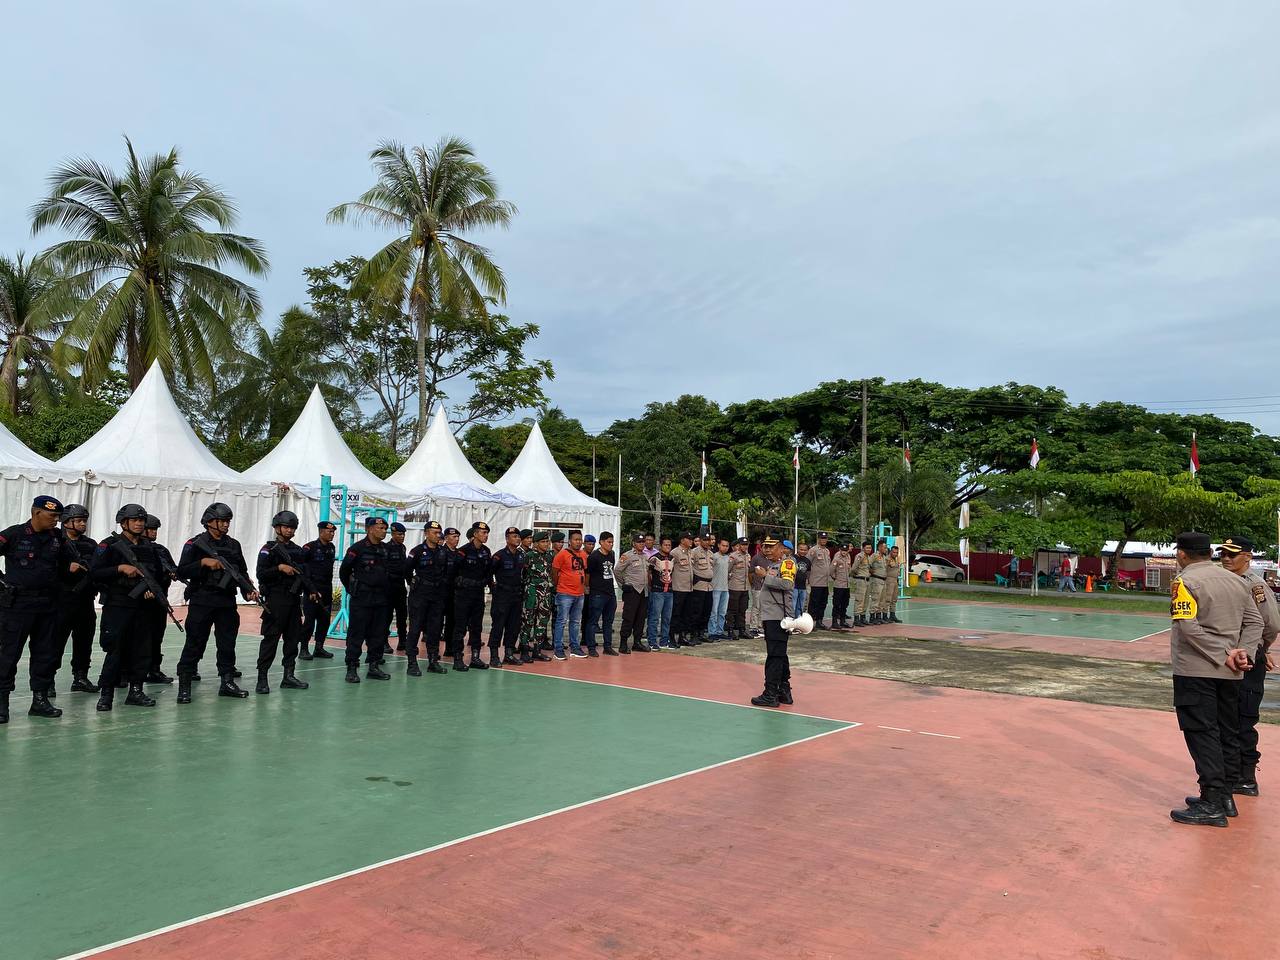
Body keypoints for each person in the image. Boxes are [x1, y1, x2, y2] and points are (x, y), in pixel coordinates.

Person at [1166, 531, 1260, 827]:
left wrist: (1224, 654)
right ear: (1209, 552)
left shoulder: (1185, 582)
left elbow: (1189, 629)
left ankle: (1211, 802)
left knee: (1201, 733)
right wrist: (1241, 652)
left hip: (1196, 670)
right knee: (1225, 732)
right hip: (1229, 673)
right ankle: (1225, 797)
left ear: (1182, 554)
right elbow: (1255, 621)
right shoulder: (1237, 581)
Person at [0, 496, 79, 723]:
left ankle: (40, 700)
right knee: (8, 654)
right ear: (36, 513)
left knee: (45, 654)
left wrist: (71, 568)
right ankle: (2, 702)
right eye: (52, 516)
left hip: (48, 605)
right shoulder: (14, 534)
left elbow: (69, 563)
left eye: (58, 517)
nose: (56, 521)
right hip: (17, 606)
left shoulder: (58, 538)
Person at [175, 502, 258, 703]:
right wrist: (203, 563)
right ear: (210, 522)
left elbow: (241, 572)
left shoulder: (233, 545)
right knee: (195, 642)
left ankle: (227, 681)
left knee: (227, 644)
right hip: (202, 600)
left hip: (226, 602)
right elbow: (181, 571)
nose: (226, 525)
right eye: (222, 521)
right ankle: (185, 685)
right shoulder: (194, 544)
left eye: (228, 521)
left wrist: (248, 590)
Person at [1216, 536, 1278, 798]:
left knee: (1243, 717)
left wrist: (1261, 650)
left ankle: (1246, 777)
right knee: (1228, 717)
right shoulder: (1228, 581)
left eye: (1233, 554)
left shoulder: (1254, 585)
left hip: (1248, 660)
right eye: (1223, 554)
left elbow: (1271, 623)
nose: (1226, 559)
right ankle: (1232, 773)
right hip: (1233, 658)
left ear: (1248, 557)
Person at [89, 503, 161, 712]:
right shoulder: (109, 545)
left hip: (143, 607)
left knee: (142, 650)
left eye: (141, 520)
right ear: (123, 523)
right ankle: (106, 694)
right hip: (118, 605)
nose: (139, 524)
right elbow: (94, 573)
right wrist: (119, 568)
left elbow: (155, 573)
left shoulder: (148, 547)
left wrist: (150, 589)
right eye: (135, 520)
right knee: (115, 650)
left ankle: (136, 690)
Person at [254, 510, 314, 695]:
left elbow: (304, 574)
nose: (289, 530)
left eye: (292, 527)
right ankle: (262, 678)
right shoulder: (268, 549)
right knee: (271, 639)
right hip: (275, 599)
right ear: (277, 528)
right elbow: (260, 574)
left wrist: (311, 590)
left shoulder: (297, 550)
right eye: (286, 527)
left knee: (292, 640)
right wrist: (279, 568)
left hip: (294, 601)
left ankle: (288, 675)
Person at [338, 515, 393, 683]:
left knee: (378, 633)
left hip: (381, 598)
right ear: (369, 529)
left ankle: (374, 666)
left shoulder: (385, 549)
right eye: (380, 528)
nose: (384, 531)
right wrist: (352, 589)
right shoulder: (357, 548)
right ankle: (352, 668)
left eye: (385, 529)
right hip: (362, 598)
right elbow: (344, 571)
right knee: (357, 633)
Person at [52, 503, 99, 695]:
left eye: (84, 520)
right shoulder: (55, 542)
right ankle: (48, 680)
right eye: (78, 520)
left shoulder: (90, 544)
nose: (82, 524)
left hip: (85, 601)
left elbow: (98, 567)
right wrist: (65, 569)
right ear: (66, 522)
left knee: (84, 641)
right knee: (55, 643)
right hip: (62, 601)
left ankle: (80, 677)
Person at [750, 535, 795, 707]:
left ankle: (770, 693)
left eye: (771, 547)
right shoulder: (774, 565)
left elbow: (787, 585)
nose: (767, 550)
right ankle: (784, 691)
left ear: (782, 548)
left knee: (774, 656)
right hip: (772, 616)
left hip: (778, 617)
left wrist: (765, 576)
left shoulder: (787, 564)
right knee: (780, 655)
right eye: (765, 547)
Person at [404, 520, 451, 675]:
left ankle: (433, 661)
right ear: (426, 533)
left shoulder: (442, 552)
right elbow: (407, 570)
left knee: (435, 629)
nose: (438, 535)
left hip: (436, 596)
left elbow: (445, 572)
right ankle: (412, 662)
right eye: (434, 532)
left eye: (439, 533)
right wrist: (413, 582)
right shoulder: (417, 551)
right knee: (415, 628)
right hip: (420, 595)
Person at [142, 513, 179, 684]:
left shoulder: (161, 550)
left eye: (155, 529)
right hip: (140, 600)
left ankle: (153, 669)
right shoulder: (136, 548)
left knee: (157, 636)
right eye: (151, 529)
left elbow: (174, 568)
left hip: (159, 599)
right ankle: (127, 671)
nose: (154, 533)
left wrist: (173, 572)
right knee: (137, 636)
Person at [452, 522, 493, 670]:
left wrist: (488, 585)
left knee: (476, 627)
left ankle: (475, 657)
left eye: (487, 533)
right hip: (463, 595)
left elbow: (489, 572)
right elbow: (453, 573)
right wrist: (461, 583)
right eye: (483, 533)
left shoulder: (486, 551)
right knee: (460, 628)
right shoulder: (463, 551)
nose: (486, 535)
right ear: (475, 534)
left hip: (478, 594)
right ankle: (457, 658)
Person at [299, 520, 337, 660]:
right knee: (309, 620)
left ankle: (319, 647)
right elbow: (302, 570)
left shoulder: (331, 547)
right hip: (312, 589)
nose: (332, 534)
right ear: (321, 532)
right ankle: (303, 648)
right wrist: (309, 590)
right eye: (329, 531)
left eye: (333, 532)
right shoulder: (309, 548)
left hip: (326, 588)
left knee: (324, 619)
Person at [489, 526, 525, 666]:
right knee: (498, 625)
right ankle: (494, 656)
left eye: (518, 536)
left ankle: (509, 654)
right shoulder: (499, 556)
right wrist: (494, 588)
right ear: (507, 538)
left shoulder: (521, 555)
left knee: (514, 626)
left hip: (516, 595)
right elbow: (489, 573)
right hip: (502, 595)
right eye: (514, 536)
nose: (517, 539)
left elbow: (524, 573)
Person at [551, 529, 588, 659]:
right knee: (561, 621)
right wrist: (558, 585)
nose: (578, 542)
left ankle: (575, 647)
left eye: (580, 540)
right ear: (570, 541)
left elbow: (585, 570)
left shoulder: (583, 554)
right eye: (575, 539)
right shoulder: (562, 555)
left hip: (579, 593)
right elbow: (554, 572)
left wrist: (584, 586)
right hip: (565, 593)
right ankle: (558, 648)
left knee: (575, 621)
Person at [519, 530, 554, 662]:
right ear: (536, 543)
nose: (546, 544)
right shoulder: (528, 556)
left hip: (545, 593)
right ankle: (524, 650)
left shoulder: (550, 556)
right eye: (543, 542)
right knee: (527, 621)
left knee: (542, 622)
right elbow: (522, 575)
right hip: (531, 592)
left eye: (547, 541)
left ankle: (537, 650)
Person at [614, 533, 650, 653]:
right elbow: (617, 570)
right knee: (629, 618)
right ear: (634, 543)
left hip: (644, 591)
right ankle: (623, 643)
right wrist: (623, 585)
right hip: (632, 591)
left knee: (640, 618)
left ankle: (637, 642)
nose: (641, 544)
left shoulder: (646, 556)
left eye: (643, 542)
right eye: (639, 542)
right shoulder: (627, 556)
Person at [586, 532, 618, 654]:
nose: (611, 544)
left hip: (610, 592)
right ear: (601, 542)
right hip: (598, 593)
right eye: (609, 542)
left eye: (612, 542)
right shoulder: (594, 557)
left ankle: (608, 646)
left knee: (608, 621)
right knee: (593, 621)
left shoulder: (612, 554)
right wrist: (588, 587)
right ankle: (591, 647)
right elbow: (588, 574)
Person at [647, 536, 675, 649]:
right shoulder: (654, 558)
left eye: (669, 545)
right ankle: (652, 641)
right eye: (665, 545)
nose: (667, 547)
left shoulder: (673, 558)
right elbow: (648, 572)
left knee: (667, 618)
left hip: (669, 591)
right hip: (657, 591)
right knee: (654, 617)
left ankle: (664, 640)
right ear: (660, 546)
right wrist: (650, 586)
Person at [386, 521, 409, 657]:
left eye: (403, 534)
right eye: (399, 534)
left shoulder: (403, 548)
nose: (402, 537)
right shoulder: (387, 547)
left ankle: (402, 641)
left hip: (400, 586)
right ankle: (384, 641)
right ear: (393, 534)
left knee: (402, 615)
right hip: (389, 586)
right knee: (387, 616)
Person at [669, 532, 696, 646]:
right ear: (682, 540)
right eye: (688, 539)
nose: (691, 541)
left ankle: (682, 637)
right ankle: (671, 637)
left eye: (691, 539)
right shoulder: (675, 553)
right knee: (676, 614)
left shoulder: (691, 552)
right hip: (678, 588)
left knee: (686, 614)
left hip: (689, 588)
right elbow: (668, 569)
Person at [690, 531, 716, 643]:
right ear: (700, 540)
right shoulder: (694, 552)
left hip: (709, 586)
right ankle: (693, 634)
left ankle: (701, 632)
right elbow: (690, 568)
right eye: (704, 540)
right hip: (698, 585)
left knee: (707, 610)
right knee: (696, 611)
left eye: (708, 540)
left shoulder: (711, 553)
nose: (707, 542)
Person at [441, 527, 462, 659]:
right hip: (442, 591)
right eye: (454, 537)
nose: (456, 539)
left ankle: (450, 648)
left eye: (458, 537)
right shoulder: (441, 552)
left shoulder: (459, 553)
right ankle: (434, 650)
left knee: (452, 621)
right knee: (437, 621)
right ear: (446, 538)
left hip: (455, 592)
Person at [726, 537, 752, 641]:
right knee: (732, 610)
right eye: (743, 544)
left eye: (746, 544)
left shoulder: (748, 556)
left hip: (745, 587)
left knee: (742, 609)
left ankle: (742, 630)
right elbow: (727, 570)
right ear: (739, 545)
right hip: (735, 587)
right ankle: (730, 630)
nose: (745, 546)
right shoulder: (733, 556)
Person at [707, 537, 731, 640]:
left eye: (727, 546)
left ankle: (719, 631)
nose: (725, 548)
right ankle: (712, 632)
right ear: (718, 545)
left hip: (725, 588)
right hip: (715, 588)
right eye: (723, 545)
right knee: (714, 612)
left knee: (722, 612)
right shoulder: (714, 556)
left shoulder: (728, 558)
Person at [807, 531, 831, 629]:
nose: (823, 540)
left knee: (823, 603)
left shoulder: (827, 551)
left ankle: (819, 622)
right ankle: (810, 623)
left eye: (825, 538)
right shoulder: (813, 550)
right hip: (816, 582)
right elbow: (808, 564)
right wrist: (808, 579)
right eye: (822, 538)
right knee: (814, 604)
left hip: (825, 582)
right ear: (818, 539)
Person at [851, 540, 873, 626]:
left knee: (866, 600)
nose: (869, 549)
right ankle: (857, 619)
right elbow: (853, 568)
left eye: (870, 548)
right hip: (861, 580)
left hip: (867, 580)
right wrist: (857, 575)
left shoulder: (868, 557)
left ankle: (863, 617)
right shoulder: (859, 556)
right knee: (859, 600)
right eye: (867, 547)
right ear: (863, 548)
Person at [867, 540, 889, 624]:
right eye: (884, 547)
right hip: (876, 580)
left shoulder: (883, 557)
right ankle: (872, 617)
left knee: (882, 599)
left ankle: (878, 616)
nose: (886, 549)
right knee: (876, 598)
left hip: (883, 580)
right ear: (879, 547)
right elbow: (868, 564)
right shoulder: (874, 555)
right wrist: (872, 572)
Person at [831, 543, 852, 629]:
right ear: (840, 550)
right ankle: (834, 622)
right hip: (839, 585)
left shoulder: (848, 557)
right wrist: (837, 578)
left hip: (846, 585)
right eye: (842, 550)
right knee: (836, 604)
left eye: (846, 550)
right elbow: (831, 571)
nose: (844, 552)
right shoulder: (836, 559)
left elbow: (849, 569)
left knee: (845, 604)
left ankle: (843, 621)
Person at [789, 542, 811, 618]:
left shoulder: (807, 561)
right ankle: (790, 622)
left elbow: (808, 573)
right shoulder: (792, 558)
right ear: (797, 549)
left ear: (808, 550)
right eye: (801, 549)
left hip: (803, 587)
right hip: (794, 586)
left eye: (805, 550)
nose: (803, 551)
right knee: (792, 606)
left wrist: (808, 582)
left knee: (800, 607)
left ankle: (798, 622)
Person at [882, 546, 903, 623]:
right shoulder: (887, 559)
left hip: (895, 580)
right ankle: (884, 615)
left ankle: (892, 615)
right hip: (889, 580)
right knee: (888, 599)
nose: (895, 554)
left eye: (897, 552)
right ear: (890, 552)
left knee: (894, 599)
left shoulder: (896, 560)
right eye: (894, 552)